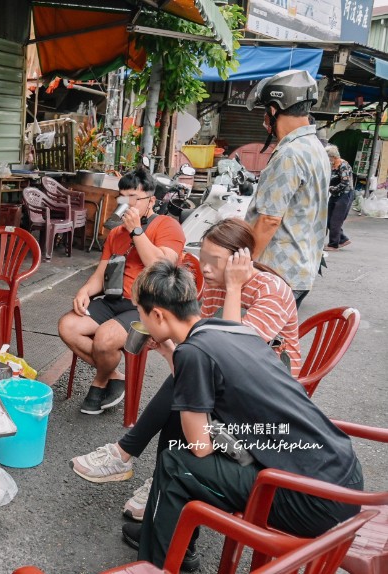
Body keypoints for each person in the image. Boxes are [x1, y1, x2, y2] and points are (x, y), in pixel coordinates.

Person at [70, 219, 301, 547]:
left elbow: (230, 354)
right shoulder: (216, 285)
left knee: (190, 384)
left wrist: (234, 288)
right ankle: (159, 490)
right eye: (202, 257)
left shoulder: (269, 290)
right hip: (231, 378)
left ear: (240, 261)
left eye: (214, 261)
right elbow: (201, 347)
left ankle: (136, 463)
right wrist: (168, 348)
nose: (204, 268)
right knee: (188, 381)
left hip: (268, 391)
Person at [121, 260, 362, 569]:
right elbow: (201, 391)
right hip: (342, 477)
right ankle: (170, 542)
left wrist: (177, 356)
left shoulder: (194, 352)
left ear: (157, 314)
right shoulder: (233, 330)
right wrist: (170, 352)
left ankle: (159, 564)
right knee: (184, 432)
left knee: (175, 463)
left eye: (141, 313)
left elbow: (201, 446)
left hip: (312, 502)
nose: (141, 320)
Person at [58, 168, 185, 415]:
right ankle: (114, 375)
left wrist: (137, 231)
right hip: (114, 299)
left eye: (134, 197)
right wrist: (84, 291)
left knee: (105, 339)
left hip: (148, 306)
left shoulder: (168, 226)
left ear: (151, 200)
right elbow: (100, 275)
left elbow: (162, 267)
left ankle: (99, 382)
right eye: (123, 196)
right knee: (67, 326)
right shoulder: (116, 233)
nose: (128, 203)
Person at [244, 70, 329, 307]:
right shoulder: (315, 147)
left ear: (273, 110)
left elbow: (269, 220)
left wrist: (245, 266)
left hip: (278, 271)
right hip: (301, 267)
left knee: (248, 342)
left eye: (265, 110)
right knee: (276, 343)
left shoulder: (289, 154)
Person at [324, 144, 354, 251]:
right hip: (335, 194)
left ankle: (333, 244)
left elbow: (345, 183)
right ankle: (342, 239)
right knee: (328, 219)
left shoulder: (343, 165)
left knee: (335, 220)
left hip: (344, 195)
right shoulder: (332, 166)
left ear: (333, 157)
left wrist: (331, 188)